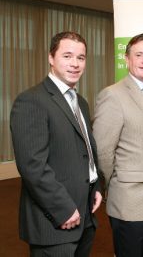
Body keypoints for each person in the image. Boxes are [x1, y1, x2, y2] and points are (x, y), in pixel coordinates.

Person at [10, 31, 102, 256]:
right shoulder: (31, 100)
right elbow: (33, 166)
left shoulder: (80, 101)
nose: (75, 64)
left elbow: (83, 151)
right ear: (51, 58)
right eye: (67, 56)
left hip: (84, 214)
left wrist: (96, 185)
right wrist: (64, 209)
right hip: (56, 220)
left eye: (81, 58)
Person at [92, 33, 143, 257]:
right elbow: (103, 151)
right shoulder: (113, 95)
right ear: (127, 59)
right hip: (130, 201)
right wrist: (113, 185)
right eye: (139, 55)